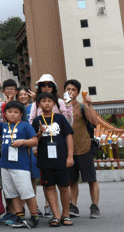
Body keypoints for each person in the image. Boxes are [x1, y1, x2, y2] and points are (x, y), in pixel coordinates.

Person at [31, 92, 74, 226]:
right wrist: (40, 132)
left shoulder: (60, 118)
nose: (47, 103)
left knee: (64, 187)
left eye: (49, 101)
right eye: (43, 101)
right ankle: (56, 216)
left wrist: (70, 156)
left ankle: (65, 215)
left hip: (61, 158)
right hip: (45, 160)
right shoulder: (37, 120)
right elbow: (34, 140)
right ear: (39, 104)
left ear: (54, 103)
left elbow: (69, 136)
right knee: (49, 187)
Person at [63, 79, 101, 219]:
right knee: (71, 180)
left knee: (91, 179)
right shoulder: (61, 108)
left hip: (84, 148)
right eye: (68, 89)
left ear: (78, 93)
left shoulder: (82, 107)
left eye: (73, 90)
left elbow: (95, 122)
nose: (70, 92)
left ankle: (94, 206)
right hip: (68, 150)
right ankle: (73, 206)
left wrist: (89, 105)